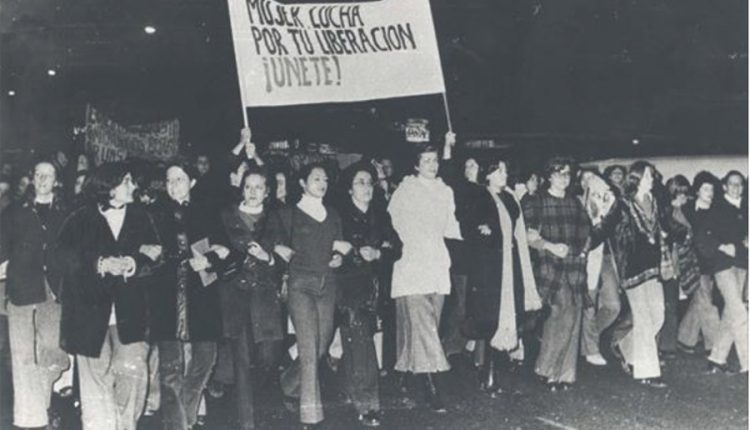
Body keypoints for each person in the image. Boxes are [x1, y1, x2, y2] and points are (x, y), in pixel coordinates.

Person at [57, 162, 162, 430]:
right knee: (94, 382)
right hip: (88, 311)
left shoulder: (141, 216)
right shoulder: (79, 218)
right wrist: (99, 264)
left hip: (132, 312)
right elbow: (62, 260)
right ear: (108, 186)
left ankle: (126, 425)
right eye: (126, 181)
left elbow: (157, 253)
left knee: (133, 372)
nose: (133, 186)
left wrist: (134, 262)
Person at [148, 161, 230, 430]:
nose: (174, 185)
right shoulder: (154, 214)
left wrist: (208, 261)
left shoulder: (207, 212)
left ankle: (186, 418)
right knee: (170, 371)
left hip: (201, 297)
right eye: (169, 180)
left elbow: (226, 251)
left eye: (180, 179)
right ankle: (179, 426)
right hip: (165, 298)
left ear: (192, 182)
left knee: (205, 362)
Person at [387, 135, 462, 412]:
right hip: (412, 264)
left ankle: (405, 373)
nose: (432, 165)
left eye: (435, 160)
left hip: (438, 264)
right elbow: (394, 224)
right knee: (424, 326)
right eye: (426, 161)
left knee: (426, 325)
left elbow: (451, 226)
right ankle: (432, 387)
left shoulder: (445, 191)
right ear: (416, 165)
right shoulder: (406, 190)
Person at [274, 163, 351, 429]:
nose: (322, 183)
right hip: (300, 285)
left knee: (320, 347)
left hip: (327, 284)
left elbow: (339, 248)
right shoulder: (287, 214)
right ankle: (311, 418)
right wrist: (279, 249)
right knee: (308, 349)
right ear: (303, 183)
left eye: (325, 179)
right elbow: (273, 242)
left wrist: (340, 257)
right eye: (316, 179)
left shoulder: (333, 214)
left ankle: (289, 382)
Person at [0, 160, 70, 429]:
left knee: (51, 353)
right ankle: (29, 419)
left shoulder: (65, 212)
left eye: (48, 175)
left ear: (57, 181)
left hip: (53, 292)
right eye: (38, 174)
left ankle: (41, 405)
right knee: (22, 355)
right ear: (32, 179)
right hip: (20, 289)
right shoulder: (14, 212)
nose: (42, 179)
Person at [463, 159, 541, 396]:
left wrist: (493, 231)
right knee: (490, 318)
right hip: (489, 269)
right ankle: (487, 371)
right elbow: (475, 232)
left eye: (505, 170)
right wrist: (493, 233)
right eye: (499, 170)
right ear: (488, 175)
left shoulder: (510, 199)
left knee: (509, 315)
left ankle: (494, 367)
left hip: (510, 266)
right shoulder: (479, 197)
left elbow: (507, 232)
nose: (504, 174)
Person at [219, 166, 285, 430]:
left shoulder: (275, 218)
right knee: (242, 358)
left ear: (267, 192)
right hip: (234, 294)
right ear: (241, 189)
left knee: (269, 355)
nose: (253, 192)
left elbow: (286, 254)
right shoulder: (226, 216)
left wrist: (267, 257)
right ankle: (248, 423)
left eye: (259, 187)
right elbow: (217, 248)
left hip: (265, 296)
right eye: (248, 186)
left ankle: (248, 393)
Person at [335, 162, 400, 427]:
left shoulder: (380, 215)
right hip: (347, 287)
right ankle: (369, 404)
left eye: (369, 182)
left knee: (357, 343)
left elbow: (397, 246)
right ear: (350, 189)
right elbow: (334, 248)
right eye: (360, 182)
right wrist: (348, 253)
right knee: (362, 344)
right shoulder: (339, 216)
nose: (366, 187)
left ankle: (353, 392)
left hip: (374, 289)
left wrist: (379, 253)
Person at [522, 157, 590, 391]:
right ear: (549, 176)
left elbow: (587, 232)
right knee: (564, 313)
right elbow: (529, 236)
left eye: (567, 174)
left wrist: (582, 252)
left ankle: (564, 375)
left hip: (573, 267)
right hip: (548, 266)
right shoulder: (536, 202)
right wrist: (551, 246)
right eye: (559, 173)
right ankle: (547, 369)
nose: (564, 178)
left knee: (569, 316)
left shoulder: (575, 203)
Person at [610, 161, 668, 387]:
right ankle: (647, 372)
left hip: (653, 269)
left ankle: (625, 345)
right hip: (632, 269)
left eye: (651, 176)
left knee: (658, 316)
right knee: (644, 320)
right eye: (647, 176)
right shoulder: (623, 205)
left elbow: (666, 226)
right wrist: (584, 246)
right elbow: (605, 228)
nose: (651, 179)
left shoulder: (654, 202)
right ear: (636, 179)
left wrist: (683, 234)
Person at [695, 171, 748, 374]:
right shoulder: (716, 209)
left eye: (740, 184)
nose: (736, 188)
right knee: (740, 313)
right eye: (732, 184)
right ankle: (747, 362)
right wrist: (721, 246)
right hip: (723, 267)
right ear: (724, 186)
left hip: (742, 265)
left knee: (730, 314)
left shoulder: (745, 208)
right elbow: (702, 237)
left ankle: (717, 358)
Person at [578, 171, 621, 367]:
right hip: (589, 258)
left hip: (607, 256)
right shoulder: (579, 203)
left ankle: (586, 337)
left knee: (613, 306)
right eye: (585, 179)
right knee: (589, 303)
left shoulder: (610, 202)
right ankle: (591, 349)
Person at [677, 172, 720, 354]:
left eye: (711, 188)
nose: (709, 192)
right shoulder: (687, 209)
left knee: (700, 300)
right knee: (705, 302)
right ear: (697, 190)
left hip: (712, 262)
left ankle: (685, 339)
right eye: (705, 188)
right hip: (693, 262)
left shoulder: (717, 211)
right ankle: (716, 347)